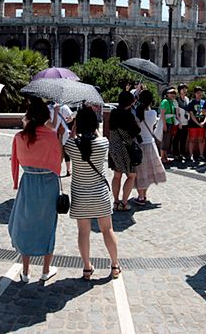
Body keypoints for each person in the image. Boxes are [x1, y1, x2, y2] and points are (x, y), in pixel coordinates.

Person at [8, 98, 63, 283]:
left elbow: (16, 162)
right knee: (48, 225)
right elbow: (57, 164)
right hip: (48, 183)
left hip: (28, 182)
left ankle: (25, 271)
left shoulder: (20, 137)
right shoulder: (51, 136)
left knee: (25, 224)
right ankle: (46, 270)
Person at [65, 107, 121, 280]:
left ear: (78, 124)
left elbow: (71, 139)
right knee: (107, 229)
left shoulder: (71, 145)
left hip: (80, 196)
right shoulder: (103, 143)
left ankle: (87, 268)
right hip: (100, 195)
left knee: (83, 232)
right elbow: (97, 136)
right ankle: (114, 265)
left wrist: (74, 127)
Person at [108, 91, 142, 211]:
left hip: (114, 147)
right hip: (126, 148)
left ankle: (116, 202)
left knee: (117, 175)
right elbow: (135, 131)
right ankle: (124, 203)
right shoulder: (128, 115)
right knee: (131, 175)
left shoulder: (113, 112)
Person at [134, 90, 167, 205]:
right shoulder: (153, 113)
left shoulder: (136, 113)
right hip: (150, 144)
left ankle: (141, 196)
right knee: (148, 171)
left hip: (139, 145)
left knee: (139, 172)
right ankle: (144, 194)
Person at [46, 102, 73, 176]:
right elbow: (71, 117)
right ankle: (68, 169)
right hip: (64, 131)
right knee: (65, 151)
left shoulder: (48, 107)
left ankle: (55, 169)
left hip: (52, 132)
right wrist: (65, 121)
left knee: (54, 152)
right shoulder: (64, 106)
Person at [187, 86, 206, 162]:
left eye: (201, 92)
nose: (200, 94)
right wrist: (198, 124)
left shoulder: (204, 102)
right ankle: (190, 155)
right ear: (195, 93)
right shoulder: (191, 103)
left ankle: (201, 155)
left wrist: (204, 121)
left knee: (201, 140)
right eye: (198, 93)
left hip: (202, 124)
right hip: (193, 125)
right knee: (192, 140)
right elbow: (191, 115)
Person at [159, 87, 177, 164]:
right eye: (171, 93)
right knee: (165, 141)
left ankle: (165, 157)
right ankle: (163, 157)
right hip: (167, 123)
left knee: (168, 141)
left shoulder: (171, 102)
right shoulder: (165, 102)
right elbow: (162, 114)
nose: (173, 94)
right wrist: (164, 125)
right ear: (167, 94)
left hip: (171, 122)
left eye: (174, 93)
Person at [173, 83, 190, 162]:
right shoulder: (176, 100)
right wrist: (179, 122)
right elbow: (176, 112)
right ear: (179, 90)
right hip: (179, 123)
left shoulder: (187, 99)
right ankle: (176, 154)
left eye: (185, 89)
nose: (185, 91)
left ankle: (182, 154)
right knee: (176, 139)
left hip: (186, 122)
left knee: (183, 139)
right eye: (183, 89)